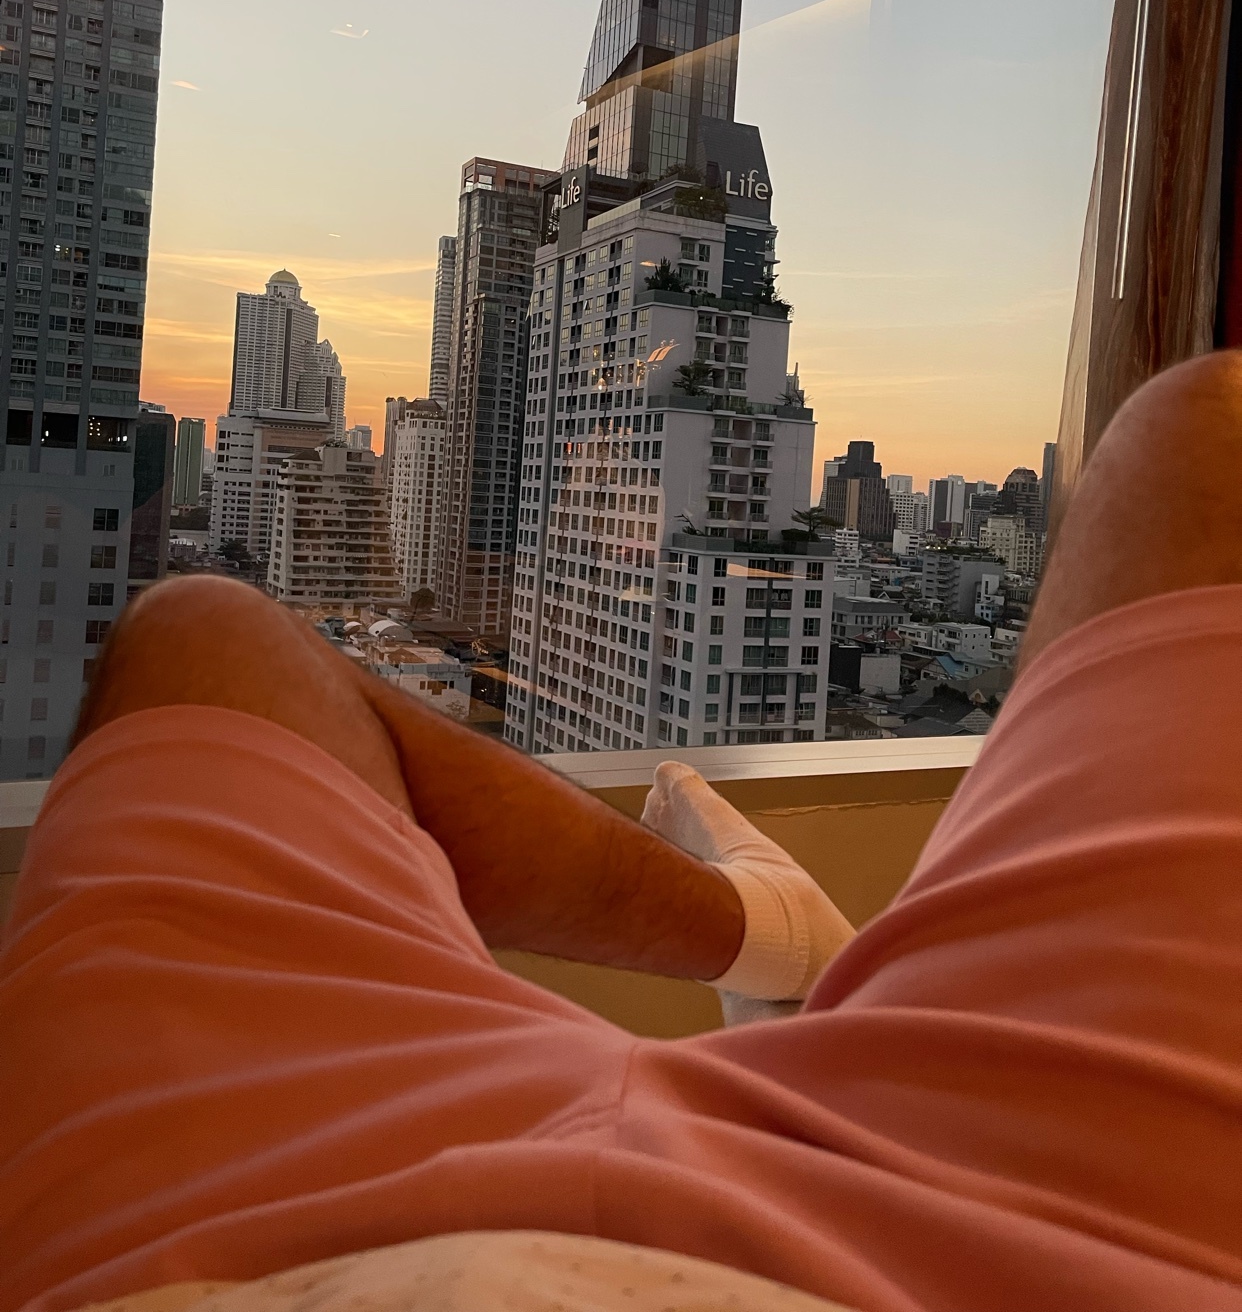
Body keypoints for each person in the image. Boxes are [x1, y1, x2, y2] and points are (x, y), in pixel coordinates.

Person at [3, 353, 1242, 1312]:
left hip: (233, 1240)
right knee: (1205, 442)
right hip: (1016, 1241)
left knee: (199, 639)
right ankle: (775, 937)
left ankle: (773, 934)